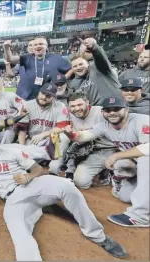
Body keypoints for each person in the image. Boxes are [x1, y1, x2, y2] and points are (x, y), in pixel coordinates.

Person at [0, 132, 127, 261]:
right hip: (13, 199)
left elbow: (37, 169)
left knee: (67, 186)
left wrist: (28, 177)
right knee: (16, 228)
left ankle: (97, 235)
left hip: (32, 185)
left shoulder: (10, 151)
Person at [63, 96, 149, 228]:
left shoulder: (141, 120)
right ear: (103, 113)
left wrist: (117, 156)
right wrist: (71, 135)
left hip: (144, 162)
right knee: (126, 196)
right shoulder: (104, 126)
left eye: (116, 109)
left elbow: (147, 148)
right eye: (108, 110)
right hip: (135, 166)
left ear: (126, 109)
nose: (112, 113)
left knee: (145, 159)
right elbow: (83, 137)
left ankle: (140, 216)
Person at [15, 83, 70, 175]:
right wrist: (22, 148)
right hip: (32, 141)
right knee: (23, 160)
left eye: (48, 96)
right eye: (43, 93)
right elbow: (22, 129)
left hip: (51, 140)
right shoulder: (27, 105)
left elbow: (61, 127)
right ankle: (45, 157)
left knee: (64, 137)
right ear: (38, 92)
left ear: (53, 97)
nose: (44, 97)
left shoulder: (60, 106)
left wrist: (43, 135)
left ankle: (54, 166)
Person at [64, 92, 116, 187]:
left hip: (105, 148)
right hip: (86, 146)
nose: (76, 108)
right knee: (80, 181)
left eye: (80, 104)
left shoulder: (101, 112)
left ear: (87, 103)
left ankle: (106, 169)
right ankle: (70, 172)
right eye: (73, 106)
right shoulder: (71, 115)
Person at [4, 37, 71, 100]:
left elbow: (71, 69)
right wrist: (6, 47)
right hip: (23, 97)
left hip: (44, 97)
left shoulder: (55, 58)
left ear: (46, 46)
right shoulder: (27, 58)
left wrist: (60, 81)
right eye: (35, 45)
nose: (37, 46)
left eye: (41, 44)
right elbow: (10, 59)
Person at [68, 37, 121, 106]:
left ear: (88, 64)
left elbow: (100, 57)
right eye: (75, 66)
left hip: (115, 106)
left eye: (81, 64)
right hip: (95, 112)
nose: (78, 67)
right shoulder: (74, 83)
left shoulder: (99, 67)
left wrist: (93, 47)